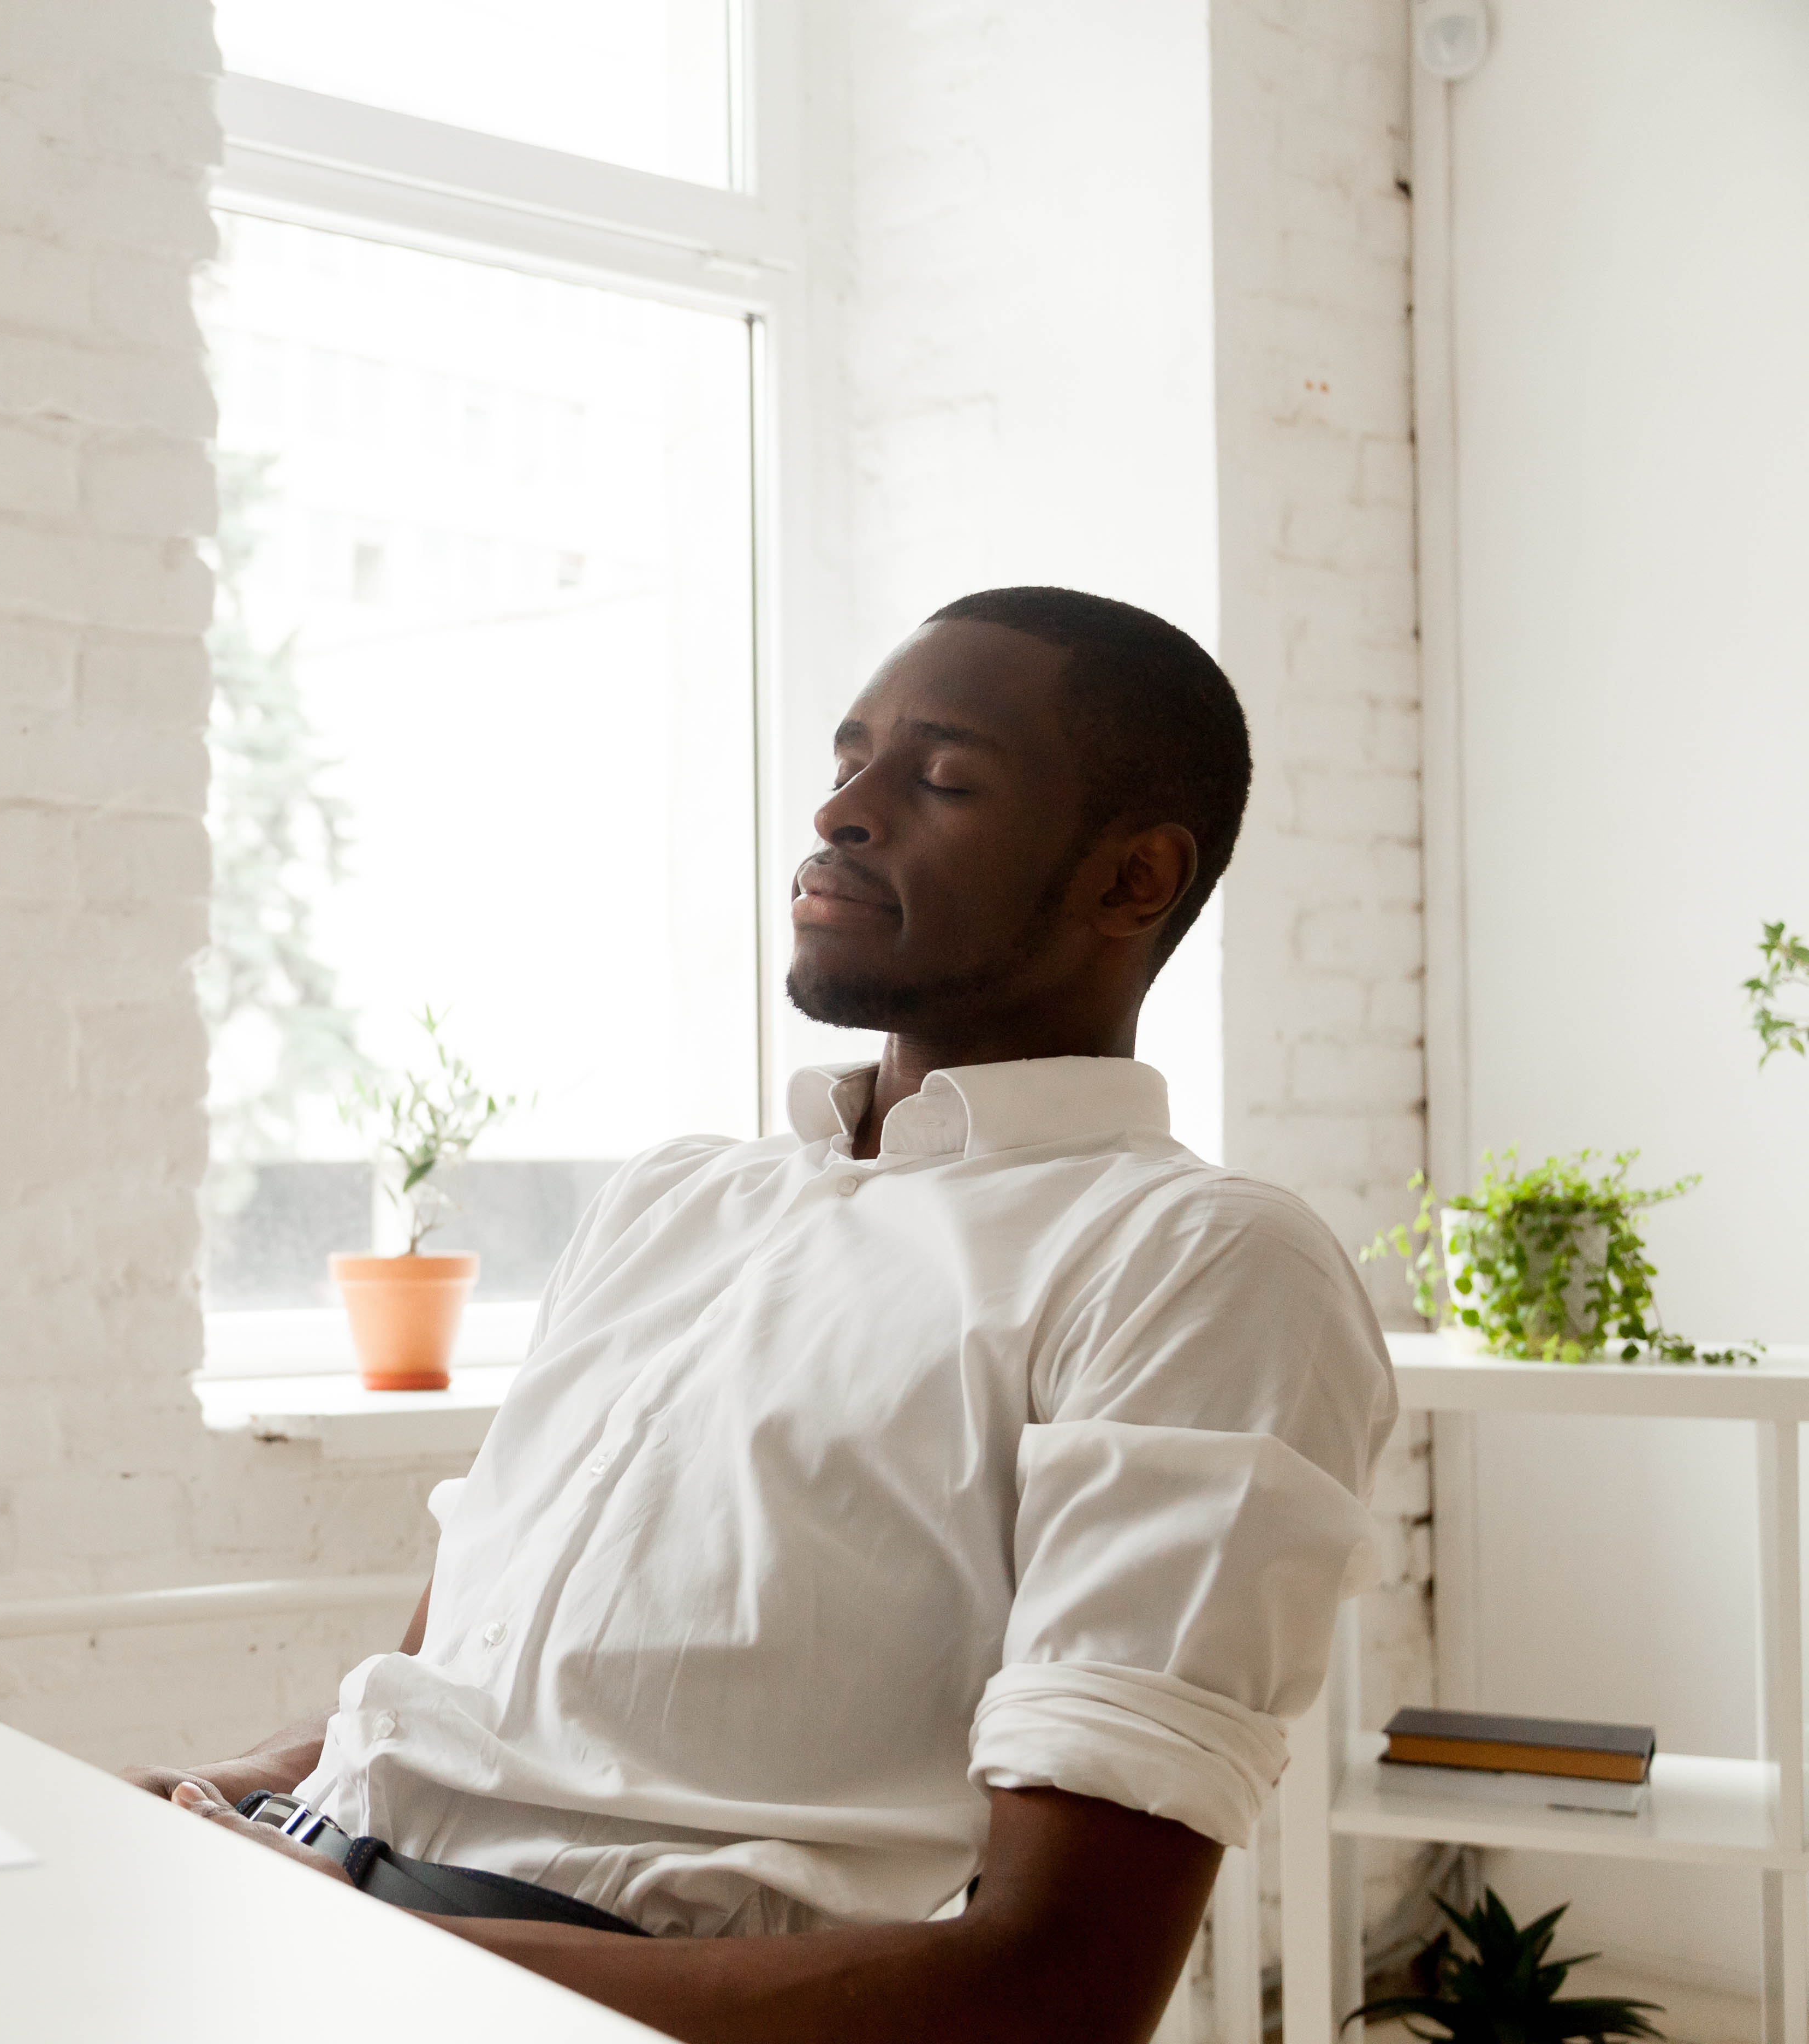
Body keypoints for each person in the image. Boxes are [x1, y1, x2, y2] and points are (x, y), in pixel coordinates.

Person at [128, 587, 1398, 2044]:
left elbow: (1055, 1992)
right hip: (305, 1909)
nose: (842, 809)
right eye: (849, 757)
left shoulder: (1198, 1263)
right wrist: (171, 1817)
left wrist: (359, 1956)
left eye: (942, 779)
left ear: (1132, 881)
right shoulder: (672, 1199)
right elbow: (444, 1710)